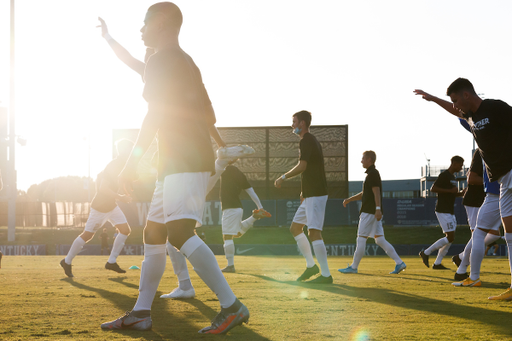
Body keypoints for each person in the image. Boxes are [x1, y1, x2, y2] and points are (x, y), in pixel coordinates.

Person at [100, 3, 249, 333]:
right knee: (153, 233)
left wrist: (130, 164)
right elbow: (209, 116)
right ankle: (141, 312)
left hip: (183, 161)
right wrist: (220, 148)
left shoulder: (162, 61)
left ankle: (231, 306)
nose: (140, 30)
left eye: (144, 24)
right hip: (180, 162)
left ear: (162, 25)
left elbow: (153, 115)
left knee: (180, 232)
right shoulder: (185, 63)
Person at [415, 79, 512, 300]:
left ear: (467, 95)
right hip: (504, 180)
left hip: (511, 173)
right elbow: (454, 111)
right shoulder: (470, 117)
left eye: (456, 99)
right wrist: (433, 99)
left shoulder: (495, 108)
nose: (455, 105)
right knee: (508, 235)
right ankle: (482, 279)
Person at [60, 139, 134, 277]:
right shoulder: (114, 165)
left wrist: (126, 189)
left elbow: (121, 181)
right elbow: (103, 188)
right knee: (87, 235)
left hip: (111, 205)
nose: (132, 151)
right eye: (130, 149)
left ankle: (111, 262)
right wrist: (121, 197)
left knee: (125, 230)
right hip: (100, 207)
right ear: (124, 151)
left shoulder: (122, 164)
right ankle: (67, 261)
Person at [274, 110, 332, 284]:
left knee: (314, 232)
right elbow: (310, 168)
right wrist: (303, 192)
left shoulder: (307, 140)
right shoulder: (308, 140)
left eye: (294, 121)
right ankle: (311, 266)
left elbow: (303, 166)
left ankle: (326, 275)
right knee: (295, 228)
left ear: (302, 124)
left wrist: (283, 177)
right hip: (309, 194)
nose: (292, 125)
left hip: (316, 194)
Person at [338, 151, 406, 275]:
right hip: (373, 212)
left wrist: (378, 209)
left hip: (370, 212)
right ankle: (399, 263)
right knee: (380, 240)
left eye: (363, 158)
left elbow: (376, 192)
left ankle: (353, 267)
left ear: (369, 159)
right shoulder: (371, 174)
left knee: (361, 238)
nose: (361, 161)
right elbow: (365, 194)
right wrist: (349, 199)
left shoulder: (373, 174)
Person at [219, 160, 270, 273]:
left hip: (230, 208)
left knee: (227, 236)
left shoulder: (224, 169)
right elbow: (251, 192)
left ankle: (230, 266)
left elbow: (212, 172)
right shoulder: (240, 174)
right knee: (236, 234)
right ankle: (254, 217)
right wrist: (260, 206)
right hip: (238, 208)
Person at [419, 156, 464, 269]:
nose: (461, 167)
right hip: (443, 210)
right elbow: (433, 188)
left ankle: (437, 263)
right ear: (454, 163)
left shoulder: (452, 177)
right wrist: (450, 191)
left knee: (450, 238)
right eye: (460, 164)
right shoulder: (444, 175)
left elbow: (451, 193)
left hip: (449, 210)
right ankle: (426, 253)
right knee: (450, 237)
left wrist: (461, 193)